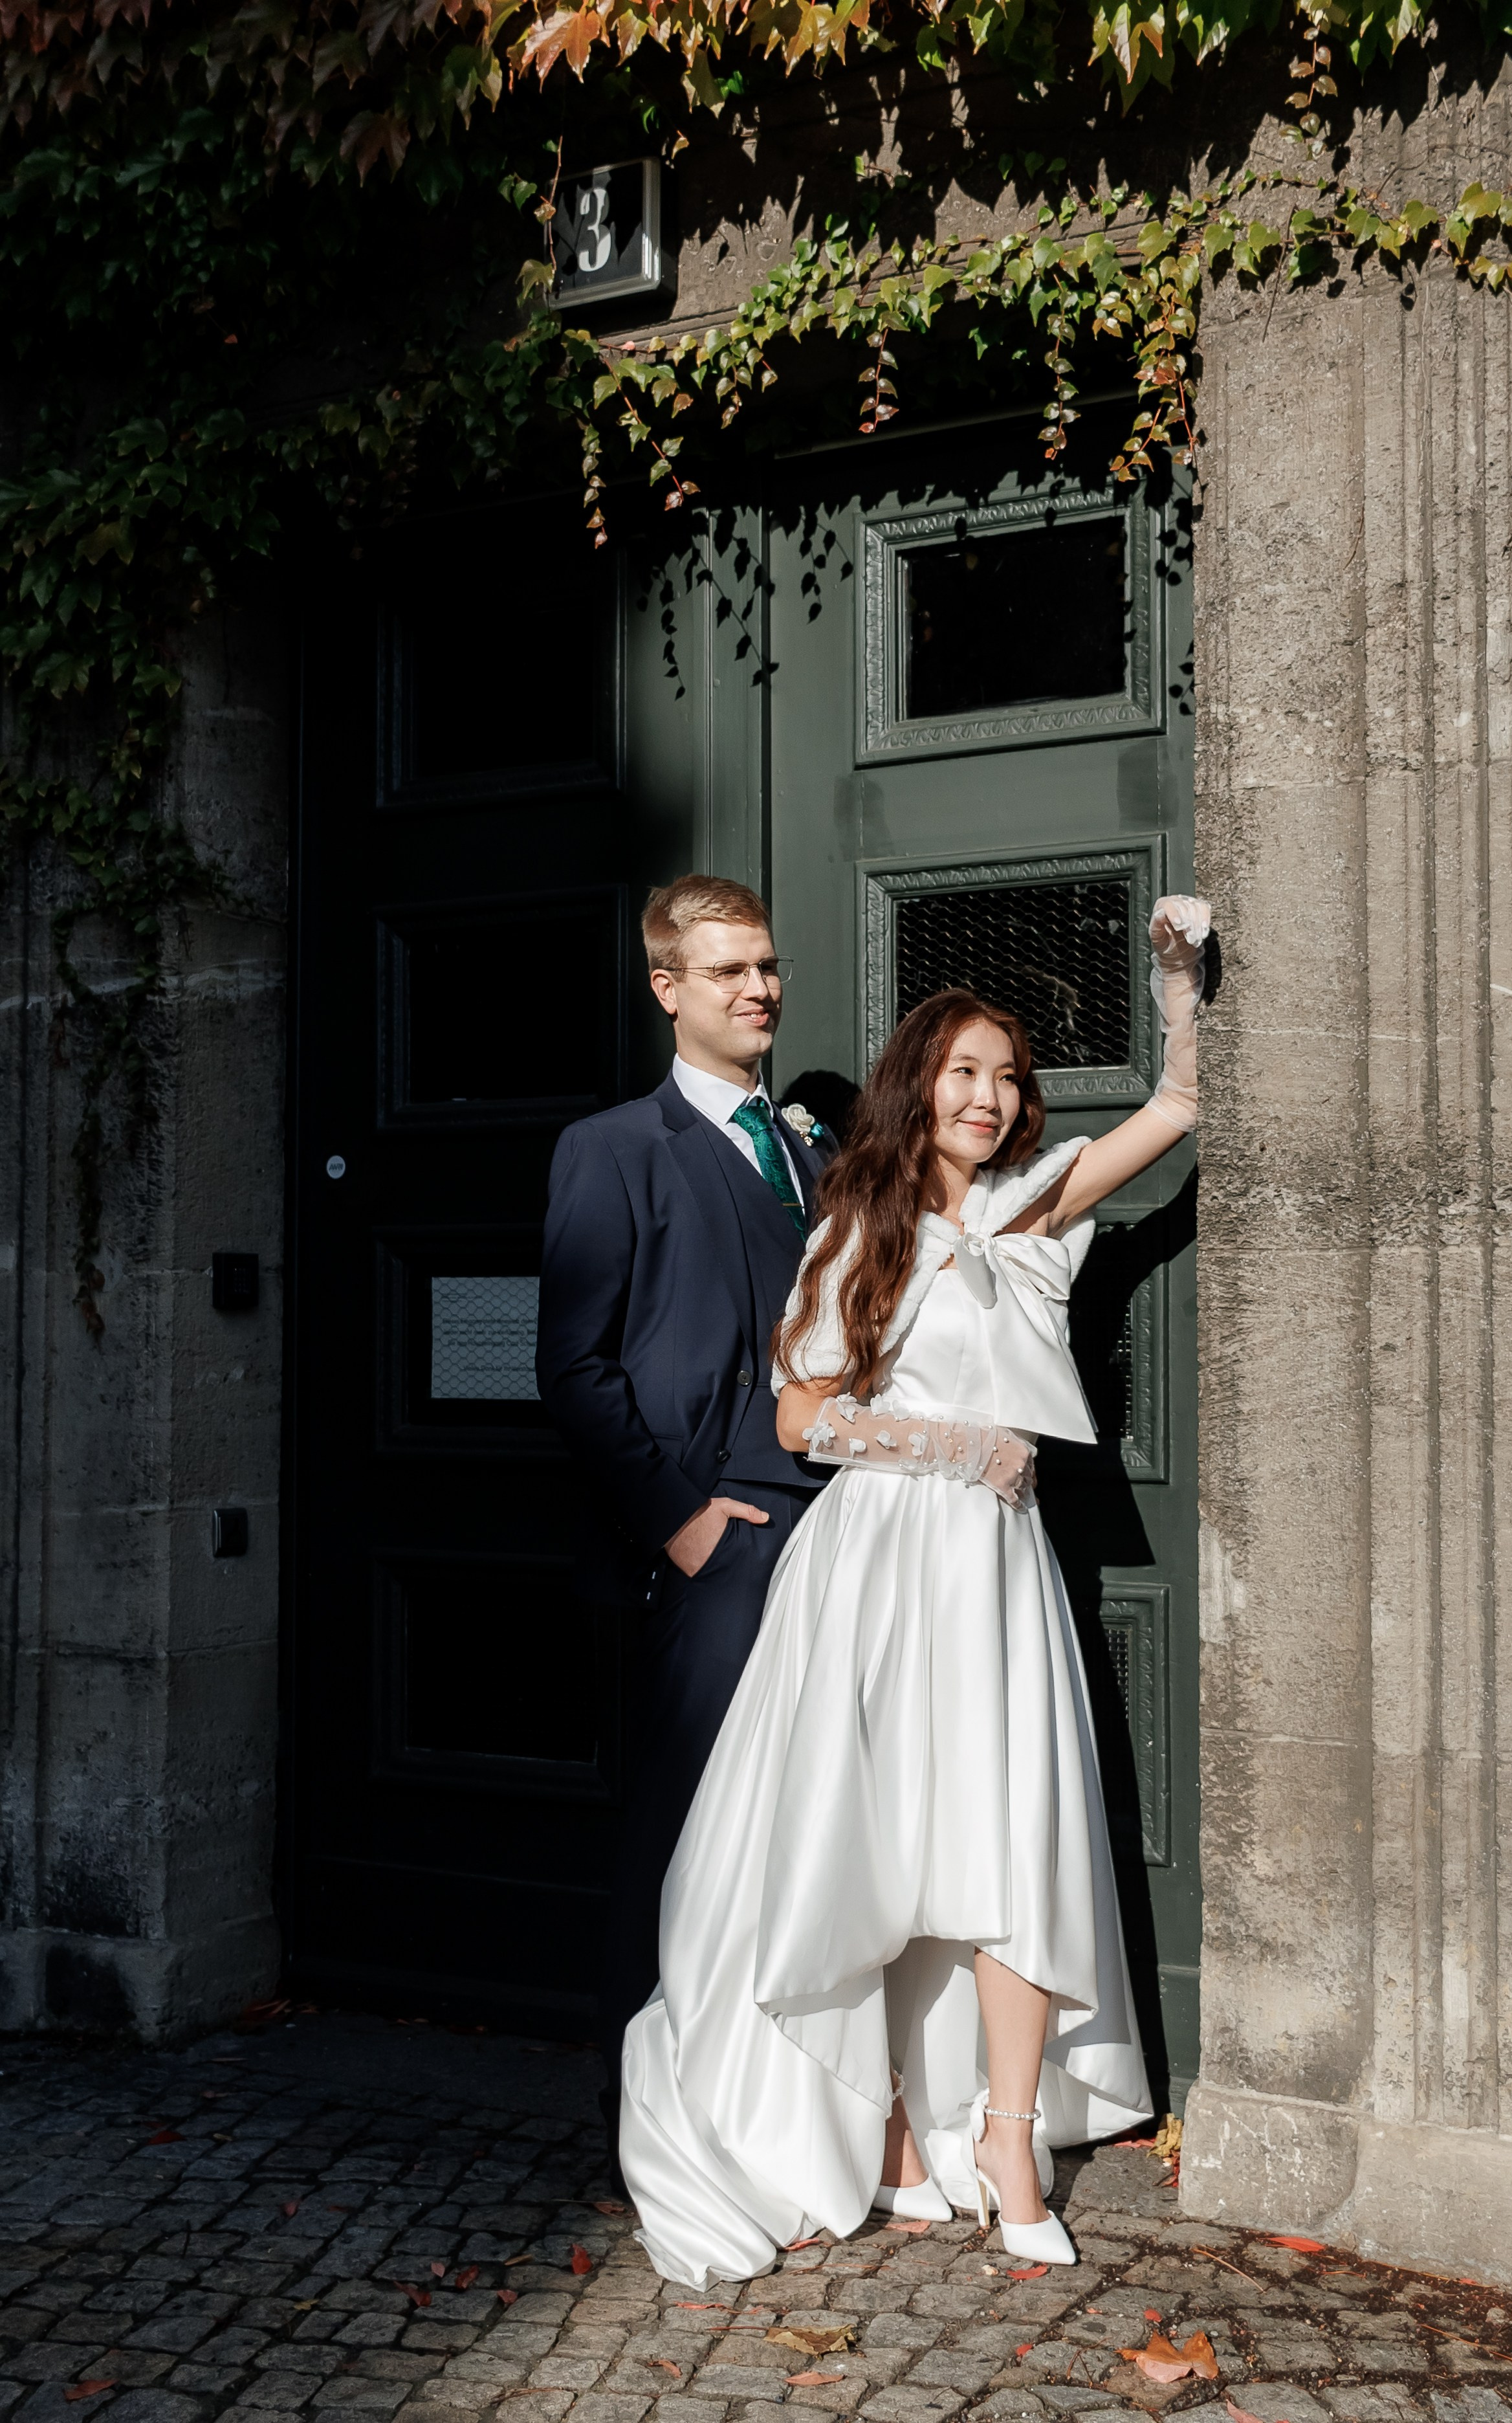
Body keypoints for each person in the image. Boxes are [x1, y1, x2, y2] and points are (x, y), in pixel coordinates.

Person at [617, 896, 1210, 2289]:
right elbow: (803, 1414)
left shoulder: (1039, 1211)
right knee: (874, 1845)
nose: (991, 1099)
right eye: (965, 1073)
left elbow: (1178, 1108)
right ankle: (886, 2128)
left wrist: (1176, 979)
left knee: (1013, 1849)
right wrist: (948, 1443)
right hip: (877, 1568)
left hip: (995, 1576)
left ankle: (1009, 2140)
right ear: (916, 1086)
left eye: (1009, 1079)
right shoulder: (855, 1227)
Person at [536, 875, 837, 2161]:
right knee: (681, 1826)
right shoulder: (610, 1150)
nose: (760, 989)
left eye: (766, 967)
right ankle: (644, 2129)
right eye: (728, 973)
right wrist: (682, 1525)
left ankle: (775, 2108)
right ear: (667, 988)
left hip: (838, 1529)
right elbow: (573, 1366)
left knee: (807, 1829)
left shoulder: (817, 1154)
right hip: (713, 1542)